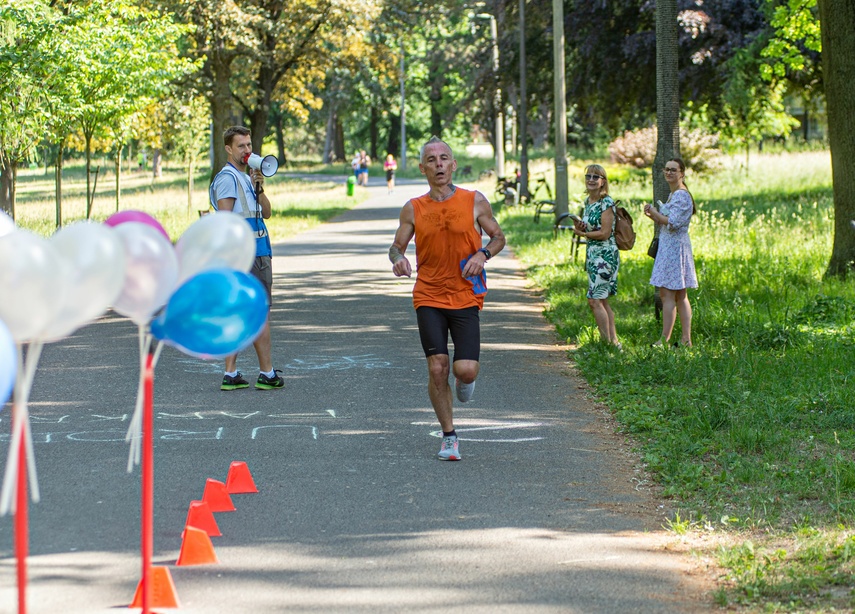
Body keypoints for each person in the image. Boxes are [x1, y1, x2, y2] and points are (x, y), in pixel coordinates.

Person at [389, 136, 506, 461]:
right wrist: (397, 258)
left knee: (465, 370)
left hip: (466, 295)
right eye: (432, 159)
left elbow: (498, 237)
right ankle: (449, 435)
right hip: (428, 294)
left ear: (453, 165)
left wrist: (483, 254)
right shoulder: (414, 208)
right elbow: (396, 245)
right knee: (438, 367)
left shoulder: (474, 201)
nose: (439, 164)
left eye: (444, 158)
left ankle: (464, 381)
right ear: (423, 167)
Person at [209, 126, 285, 391]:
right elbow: (226, 220)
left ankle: (231, 374)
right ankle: (267, 373)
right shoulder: (228, 178)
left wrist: (259, 186)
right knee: (259, 313)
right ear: (229, 149)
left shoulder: (245, 178)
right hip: (248, 255)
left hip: (256, 251)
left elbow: (267, 212)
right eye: (241, 146)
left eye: (249, 145)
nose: (247, 150)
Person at [644, 157, 698, 347]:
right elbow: (667, 222)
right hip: (671, 248)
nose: (669, 172)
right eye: (667, 169)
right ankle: (685, 340)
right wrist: (654, 216)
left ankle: (665, 340)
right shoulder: (674, 194)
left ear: (682, 173)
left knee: (668, 294)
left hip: (674, 249)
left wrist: (654, 213)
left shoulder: (682, 195)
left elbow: (673, 223)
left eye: (673, 170)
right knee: (679, 295)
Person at [572, 164, 621, 348]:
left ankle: (606, 343)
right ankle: (613, 342)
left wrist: (584, 235)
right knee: (601, 300)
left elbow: (605, 233)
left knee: (594, 300)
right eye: (588, 176)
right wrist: (581, 227)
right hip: (593, 255)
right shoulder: (588, 202)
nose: (591, 180)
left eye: (596, 177)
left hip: (605, 255)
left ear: (603, 182)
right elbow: (593, 228)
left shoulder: (606, 203)